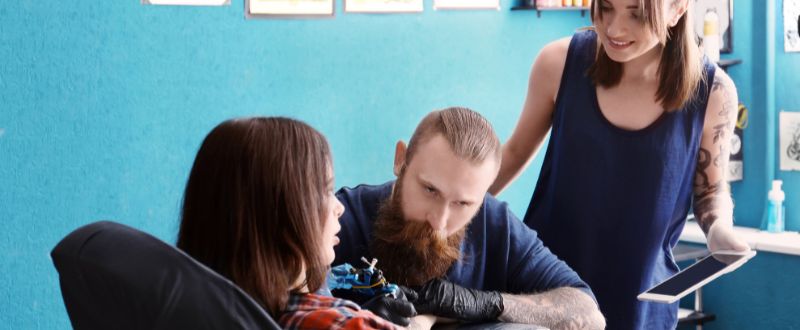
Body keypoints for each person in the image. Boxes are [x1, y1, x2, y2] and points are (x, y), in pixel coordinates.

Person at [488, 0, 750, 328]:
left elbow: (710, 189)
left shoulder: (714, 92)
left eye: (637, 14)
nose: (614, 28)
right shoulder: (557, 63)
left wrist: (720, 229)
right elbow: (511, 155)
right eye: (606, 7)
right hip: (546, 298)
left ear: (678, 9)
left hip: (640, 305)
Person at [333, 107, 606, 330]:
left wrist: (478, 304)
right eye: (430, 190)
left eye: (463, 203)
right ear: (400, 159)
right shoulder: (339, 219)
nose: (439, 221)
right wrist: (353, 322)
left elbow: (589, 315)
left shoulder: (495, 223)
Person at [176, 117, 415, 329]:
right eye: (326, 190)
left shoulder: (180, 309)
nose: (339, 206)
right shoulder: (346, 324)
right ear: (278, 215)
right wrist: (425, 320)